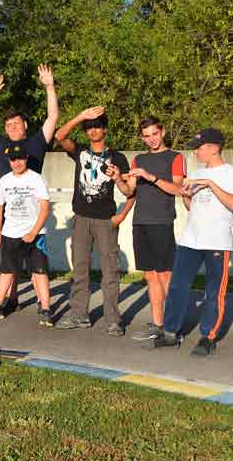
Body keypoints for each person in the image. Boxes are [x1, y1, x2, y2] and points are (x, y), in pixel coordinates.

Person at [0, 65, 59, 312]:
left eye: (16, 123)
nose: (12, 127)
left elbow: (53, 118)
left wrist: (49, 86)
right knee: (9, 262)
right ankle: (11, 300)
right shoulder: (1, 143)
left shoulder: (36, 142)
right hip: (7, 212)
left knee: (37, 265)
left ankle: (42, 303)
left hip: (34, 215)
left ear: (25, 124)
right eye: (9, 125)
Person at [151, 128, 233, 357]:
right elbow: (192, 208)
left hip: (218, 242)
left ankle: (208, 337)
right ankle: (170, 332)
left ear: (215, 147)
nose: (195, 151)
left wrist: (210, 184)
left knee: (214, 291)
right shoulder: (196, 173)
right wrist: (186, 195)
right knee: (177, 286)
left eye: (199, 147)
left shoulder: (229, 173)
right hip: (190, 240)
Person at [53, 107, 133, 335]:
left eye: (97, 125)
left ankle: (113, 320)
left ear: (105, 129)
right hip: (81, 218)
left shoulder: (118, 158)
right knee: (80, 269)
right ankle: (79, 315)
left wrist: (123, 214)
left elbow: (130, 191)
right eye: (89, 126)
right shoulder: (79, 152)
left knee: (110, 271)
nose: (93, 130)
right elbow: (59, 136)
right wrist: (81, 116)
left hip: (105, 220)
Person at [123, 117, 185, 341]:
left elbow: (178, 189)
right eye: (146, 136)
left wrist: (152, 177)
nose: (151, 139)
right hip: (140, 223)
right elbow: (129, 191)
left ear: (162, 131)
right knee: (150, 276)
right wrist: (116, 179)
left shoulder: (176, 157)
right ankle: (158, 325)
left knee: (166, 276)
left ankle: (173, 328)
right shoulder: (138, 159)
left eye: (154, 134)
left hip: (162, 223)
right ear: (142, 137)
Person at [0, 141, 52, 323]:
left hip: (35, 234)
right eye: (13, 159)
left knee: (39, 271)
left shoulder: (36, 179)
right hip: (10, 233)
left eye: (20, 158)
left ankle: (46, 309)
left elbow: (45, 208)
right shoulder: (5, 180)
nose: (17, 162)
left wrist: (33, 232)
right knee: (7, 270)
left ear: (26, 158)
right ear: (9, 160)